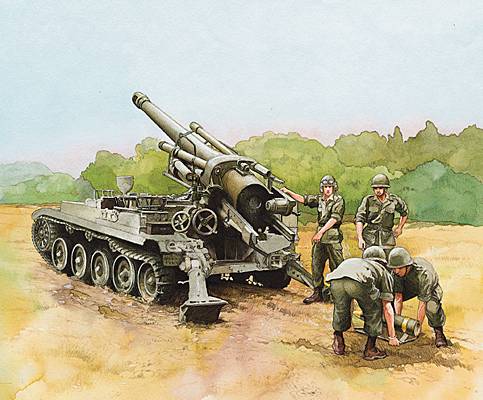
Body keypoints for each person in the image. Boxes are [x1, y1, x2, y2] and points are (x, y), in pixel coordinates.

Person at [326, 246, 399, 360]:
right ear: (382, 261)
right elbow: (387, 306)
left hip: (336, 281)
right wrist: (392, 336)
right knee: (374, 310)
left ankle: (338, 342)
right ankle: (370, 349)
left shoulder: (357, 262)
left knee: (340, 308)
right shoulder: (382, 270)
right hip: (358, 283)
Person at [282, 175, 345, 303]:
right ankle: (318, 292)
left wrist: (320, 233)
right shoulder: (320, 199)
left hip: (332, 237)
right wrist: (289, 192)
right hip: (320, 238)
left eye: (330, 187)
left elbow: (334, 219)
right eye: (326, 187)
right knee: (316, 265)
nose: (328, 189)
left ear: (334, 188)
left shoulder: (338, 201)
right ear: (322, 188)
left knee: (337, 266)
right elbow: (303, 199)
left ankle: (339, 294)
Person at [387, 247, 449, 347]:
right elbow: (398, 297)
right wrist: (398, 322)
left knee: (432, 307)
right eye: (394, 268)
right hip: (410, 285)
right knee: (389, 298)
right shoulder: (396, 273)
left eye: (399, 268)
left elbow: (422, 303)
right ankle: (391, 325)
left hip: (430, 288)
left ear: (407, 265)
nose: (396, 271)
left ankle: (439, 333)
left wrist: (417, 327)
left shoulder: (425, 273)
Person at [355, 173, 408, 257]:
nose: (378, 190)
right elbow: (359, 219)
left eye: (380, 188)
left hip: (387, 239)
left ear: (385, 188)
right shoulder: (368, 200)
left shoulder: (394, 200)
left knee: (388, 261)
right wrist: (360, 238)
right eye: (375, 188)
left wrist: (400, 227)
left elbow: (404, 213)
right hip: (370, 238)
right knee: (370, 261)